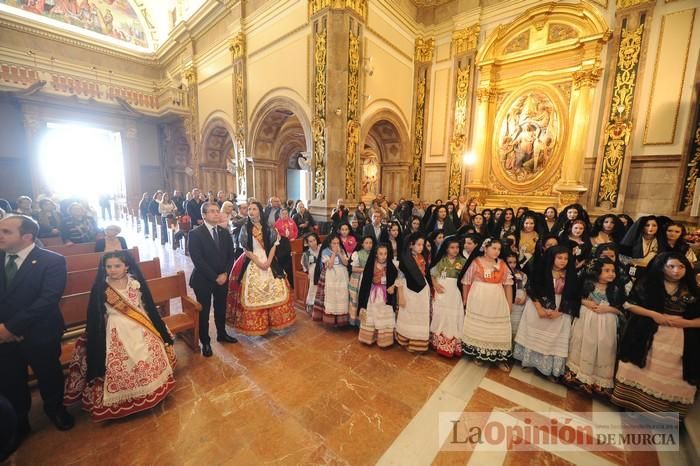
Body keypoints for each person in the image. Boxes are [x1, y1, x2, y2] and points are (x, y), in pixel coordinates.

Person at [63, 251, 176, 421]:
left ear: (126, 266)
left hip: (141, 326)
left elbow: (146, 306)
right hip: (117, 329)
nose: (112, 270)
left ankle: (150, 391)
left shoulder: (134, 282)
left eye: (117, 266)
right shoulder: (102, 287)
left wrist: (158, 328)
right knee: (124, 363)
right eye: (108, 266)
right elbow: (94, 314)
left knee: (145, 359)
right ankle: (129, 398)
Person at [0, 215, 74, 456]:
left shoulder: (51, 261)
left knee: (48, 372)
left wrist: (12, 328)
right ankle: (20, 420)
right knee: (10, 377)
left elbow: (48, 299)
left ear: (27, 236)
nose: (0, 235)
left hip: (39, 331)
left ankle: (55, 408)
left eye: (6, 231)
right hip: (1, 335)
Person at [612, 252, 700, 420]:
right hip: (645, 332)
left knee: (672, 374)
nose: (676, 271)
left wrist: (687, 323)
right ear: (662, 267)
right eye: (671, 266)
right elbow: (629, 304)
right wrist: (654, 315)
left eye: (681, 267)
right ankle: (632, 405)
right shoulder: (648, 283)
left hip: (680, 338)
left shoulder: (692, 288)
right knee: (639, 368)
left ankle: (661, 415)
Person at [227, 201, 296, 336]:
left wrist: (269, 262)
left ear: (259, 211)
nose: (251, 211)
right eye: (249, 209)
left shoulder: (269, 227)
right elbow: (246, 249)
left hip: (269, 259)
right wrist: (258, 262)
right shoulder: (245, 228)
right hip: (252, 260)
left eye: (254, 209)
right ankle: (258, 323)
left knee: (275, 289)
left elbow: (274, 246)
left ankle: (274, 322)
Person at [513, 246, 580, 379]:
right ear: (552, 258)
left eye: (566, 258)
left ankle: (547, 367)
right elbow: (532, 289)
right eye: (559, 258)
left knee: (552, 339)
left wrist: (559, 312)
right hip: (537, 307)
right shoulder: (541, 271)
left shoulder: (571, 275)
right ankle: (529, 361)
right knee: (534, 335)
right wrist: (539, 309)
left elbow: (574, 297)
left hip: (560, 309)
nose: (563, 261)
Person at [563, 258, 625, 396]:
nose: (611, 274)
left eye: (613, 271)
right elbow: (574, 297)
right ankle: (578, 375)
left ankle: (597, 380)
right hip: (586, 319)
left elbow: (621, 310)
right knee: (584, 343)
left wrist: (608, 309)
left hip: (606, 322)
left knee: (603, 347)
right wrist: (585, 302)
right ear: (596, 272)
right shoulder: (587, 284)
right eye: (607, 271)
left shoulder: (615, 288)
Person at [188, 202, 237, 357]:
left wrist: (225, 274)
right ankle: (206, 342)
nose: (216, 214)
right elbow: (198, 259)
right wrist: (215, 277)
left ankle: (222, 333)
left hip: (222, 278)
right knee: (204, 312)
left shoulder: (224, 232)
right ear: (204, 215)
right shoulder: (195, 234)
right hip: (203, 279)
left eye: (217, 211)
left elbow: (231, 256)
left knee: (221, 307)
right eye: (212, 211)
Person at [461, 238, 513, 370]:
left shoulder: (502, 264)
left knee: (497, 327)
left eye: (499, 249)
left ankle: (498, 356)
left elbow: (508, 285)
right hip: (479, 298)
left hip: (497, 299)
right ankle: (479, 354)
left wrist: (509, 304)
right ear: (485, 248)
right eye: (494, 248)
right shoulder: (476, 262)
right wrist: (465, 300)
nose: (497, 252)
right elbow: (466, 282)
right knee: (480, 325)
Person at [429, 236, 467, 358]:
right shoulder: (441, 260)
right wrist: (435, 285)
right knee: (441, 315)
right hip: (441, 292)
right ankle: (439, 343)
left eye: (457, 247)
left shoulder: (462, 261)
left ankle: (453, 345)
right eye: (452, 247)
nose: (455, 250)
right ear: (446, 249)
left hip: (454, 293)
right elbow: (433, 274)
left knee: (453, 316)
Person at [395, 232, 431, 353]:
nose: (421, 247)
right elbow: (399, 278)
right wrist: (401, 296)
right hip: (408, 290)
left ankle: (418, 343)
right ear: (411, 245)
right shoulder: (405, 259)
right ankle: (406, 339)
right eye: (419, 244)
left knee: (420, 315)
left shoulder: (422, 257)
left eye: (423, 245)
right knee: (408, 314)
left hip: (422, 290)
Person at [357, 243, 398, 347]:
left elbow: (396, 279)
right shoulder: (371, 265)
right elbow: (365, 282)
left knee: (383, 315)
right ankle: (370, 337)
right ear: (376, 254)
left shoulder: (391, 266)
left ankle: (384, 340)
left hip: (385, 295)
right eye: (380, 254)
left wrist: (393, 287)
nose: (383, 256)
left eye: (385, 254)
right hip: (373, 294)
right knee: (373, 314)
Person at [312, 234, 351, 327]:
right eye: (334, 243)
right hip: (331, 275)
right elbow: (329, 265)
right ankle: (331, 320)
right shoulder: (325, 251)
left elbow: (346, 263)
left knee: (342, 296)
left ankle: (341, 320)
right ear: (330, 243)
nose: (336, 245)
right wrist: (334, 253)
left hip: (342, 275)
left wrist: (340, 253)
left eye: (338, 243)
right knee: (332, 297)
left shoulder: (341, 249)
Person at [349, 235, 375, 326]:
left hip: (373, 280)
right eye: (366, 243)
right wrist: (366, 270)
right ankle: (359, 320)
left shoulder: (375, 253)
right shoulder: (357, 254)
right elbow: (353, 269)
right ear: (362, 244)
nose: (369, 245)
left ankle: (369, 322)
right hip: (360, 280)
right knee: (360, 299)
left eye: (371, 243)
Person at [505, 252, 528, 338]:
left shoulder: (522, 274)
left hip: (520, 305)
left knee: (517, 329)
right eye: (510, 262)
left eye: (514, 262)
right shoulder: (502, 274)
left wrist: (524, 298)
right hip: (508, 304)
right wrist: (511, 299)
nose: (512, 265)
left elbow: (525, 288)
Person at [301, 233, 321, 315]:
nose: (313, 243)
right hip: (313, 273)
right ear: (307, 243)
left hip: (323, 271)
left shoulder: (322, 248)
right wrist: (308, 272)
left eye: (314, 240)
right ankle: (312, 306)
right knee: (313, 289)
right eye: (310, 241)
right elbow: (304, 265)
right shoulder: (306, 253)